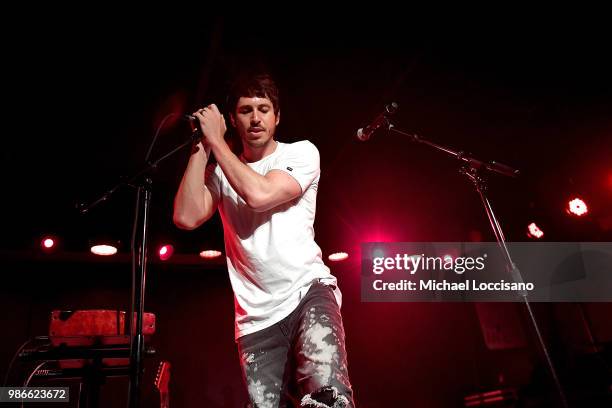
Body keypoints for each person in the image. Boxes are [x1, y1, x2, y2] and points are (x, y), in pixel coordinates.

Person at [173, 73, 355, 407]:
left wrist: (218, 143)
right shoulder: (221, 174)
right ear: (232, 119)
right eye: (245, 110)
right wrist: (202, 145)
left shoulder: (301, 153)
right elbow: (185, 217)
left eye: (263, 109)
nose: (255, 118)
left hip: (307, 293)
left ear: (277, 116)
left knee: (328, 399)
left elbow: (259, 194)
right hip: (255, 320)